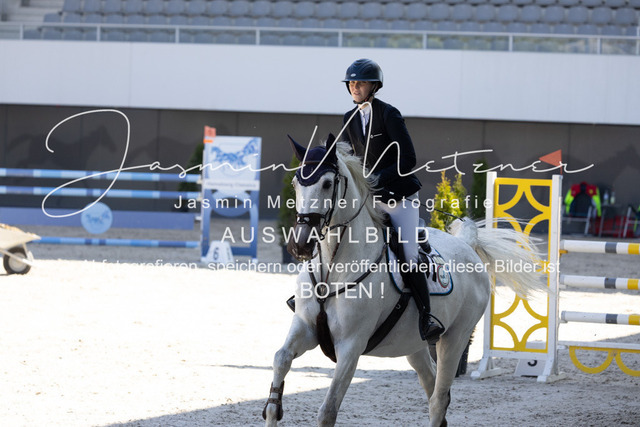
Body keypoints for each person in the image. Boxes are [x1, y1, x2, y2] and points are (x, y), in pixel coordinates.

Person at [339, 58, 444, 342]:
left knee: (408, 254)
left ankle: (426, 317)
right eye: (351, 82)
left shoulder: (389, 114)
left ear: (374, 86)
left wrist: (374, 179)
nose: (355, 87)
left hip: (399, 197)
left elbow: (407, 159)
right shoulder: (348, 118)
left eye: (360, 83)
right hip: (369, 199)